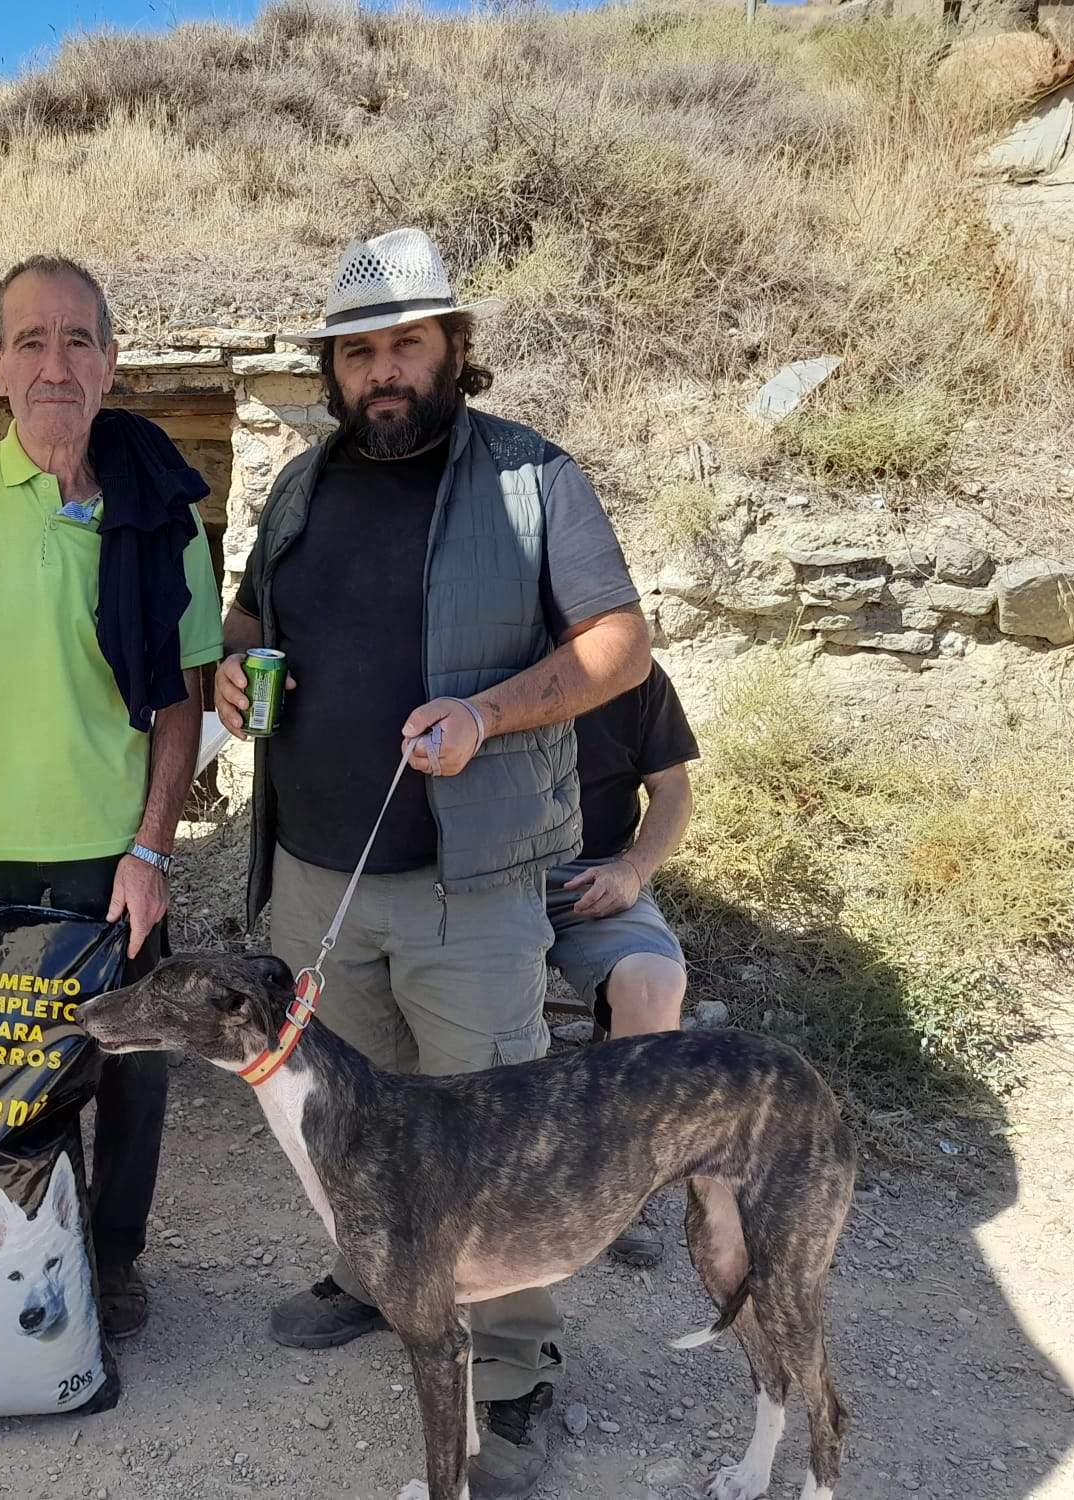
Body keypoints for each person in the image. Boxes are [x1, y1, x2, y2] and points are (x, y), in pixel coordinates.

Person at [214, 228, 651, 1500]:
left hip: (472, 885)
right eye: (359, 353)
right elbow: (250, 622)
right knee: (346, 1111)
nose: (382, 373)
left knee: (499, 1134)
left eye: (406, 343)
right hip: (312, 874)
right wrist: (236, 667)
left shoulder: (532, 479)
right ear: (334, 369)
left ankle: (509, 1375)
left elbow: (617, 644)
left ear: (453, 348)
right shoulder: (298, 489)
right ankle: (374, 1278)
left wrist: (487, 712)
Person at [0, 254, 225, 1341]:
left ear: (110, 361)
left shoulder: (164, 518)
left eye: (77, 339)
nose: (53, 363)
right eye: (28, 341)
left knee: (128, 1072)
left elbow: (178, 701)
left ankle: (111, 1258)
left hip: (108, 855)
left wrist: (153, 848)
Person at [546, 657, 699, 1266]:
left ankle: (610, 1196)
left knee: (654, 985)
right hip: (485, 883)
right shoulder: (482, 649)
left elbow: (673, 788)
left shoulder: (631, 672)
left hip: (597, 875)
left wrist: (633, 870)